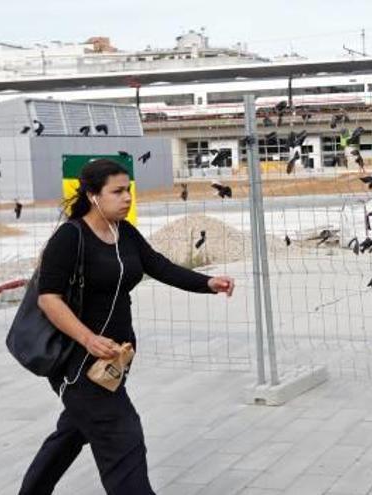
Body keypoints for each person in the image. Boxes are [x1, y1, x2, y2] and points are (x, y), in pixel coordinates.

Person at [19, 159, 235, 495]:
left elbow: (158, 266)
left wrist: (207, 282)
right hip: (78, 361)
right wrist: (88, 339)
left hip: (114, 358)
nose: (127, 197)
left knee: (73, 431)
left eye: (129, 189)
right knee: (123, 437)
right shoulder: (70, 236)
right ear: (93, 195)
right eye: (117, 191)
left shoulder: (124, 231)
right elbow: (49, 299)